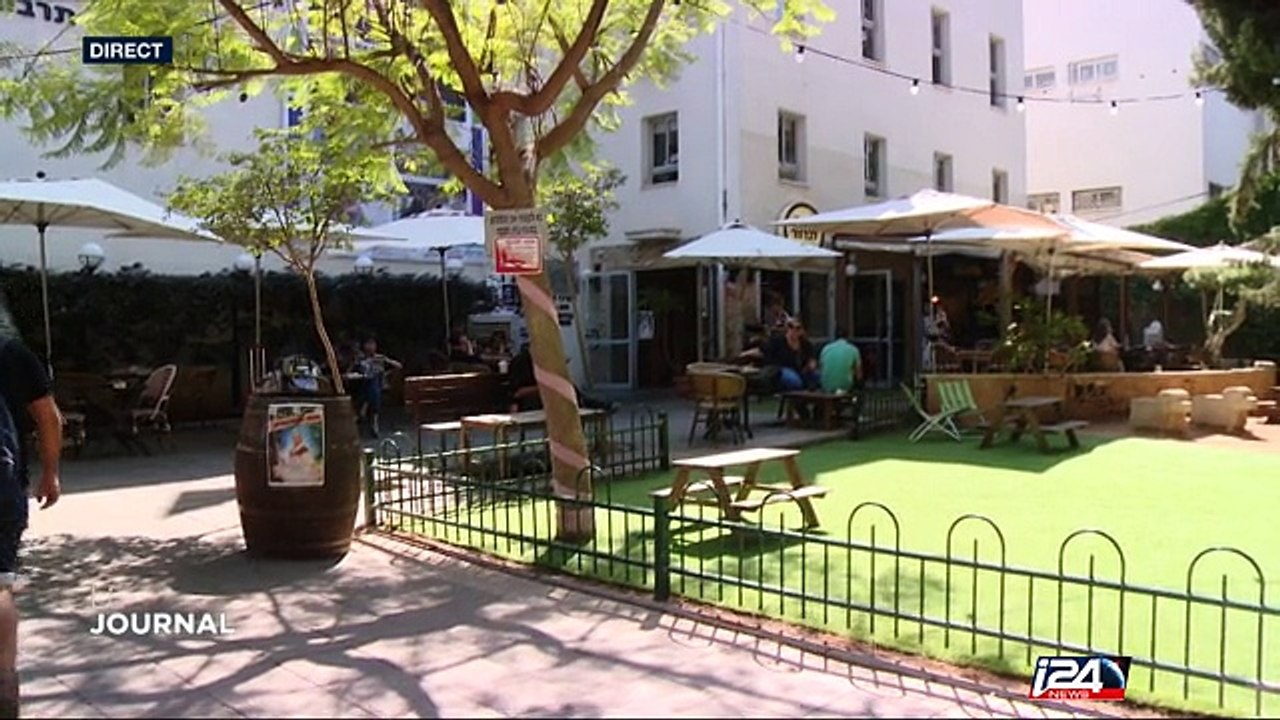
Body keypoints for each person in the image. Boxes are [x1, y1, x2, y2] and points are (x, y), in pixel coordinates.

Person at [0, 293, 61, 718]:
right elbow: (49, 417)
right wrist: (50, 473)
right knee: (0, 585)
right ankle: (5, 686)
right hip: (3, 483)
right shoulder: (13, 354)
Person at [507, 345, 616, 414]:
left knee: (568, 387)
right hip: (530, 401)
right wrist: (545, 385)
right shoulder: (521, 363)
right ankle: (587, 403)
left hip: (545, 396)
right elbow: (517, 393)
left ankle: (587, 403)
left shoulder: (540, 361)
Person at [354, 337, 402, 437]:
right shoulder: (360, 359)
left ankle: (364, 411)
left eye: (372, 344)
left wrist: (386, 361)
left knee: (373, 385)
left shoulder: (379, 358)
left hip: (377, 384)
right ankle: (372, 421)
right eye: (368, 344)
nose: (371, 347)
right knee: (371, 387)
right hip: (361, 384)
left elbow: (399, 366)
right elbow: (352, 370)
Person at [764, 319, 819, 391]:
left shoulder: (805, 344)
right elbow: (767, 354)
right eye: (790, 327)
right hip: (781, 368)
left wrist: (812, 364)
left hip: (802, 370)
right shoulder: (777, 341)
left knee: (819, 377)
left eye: (798, 328)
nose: (793, 330)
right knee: (795, 381)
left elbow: (811, 357)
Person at [819, 327, 863, 394]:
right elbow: (859, 373)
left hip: (827, 387)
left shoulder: (826, 349)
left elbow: (822, 368)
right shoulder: (853, 350)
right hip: (845, 386)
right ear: (847, 336)